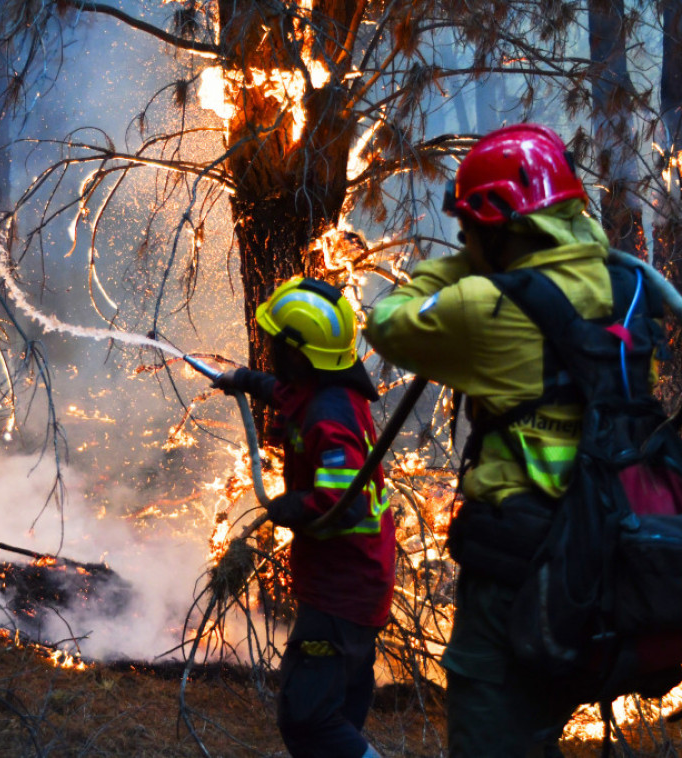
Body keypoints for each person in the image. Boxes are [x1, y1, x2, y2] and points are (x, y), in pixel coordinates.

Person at [364, 123, 649, 757]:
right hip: (611, 562)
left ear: (496, 226)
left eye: (470, 228)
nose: (464, 239)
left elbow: (385, 322)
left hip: (516, 573)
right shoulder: (626, 288)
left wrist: (467, 260)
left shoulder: (487, 303)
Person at [214, 276, 394, 758]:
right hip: (358, 585)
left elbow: (345, 503)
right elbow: (287, 393)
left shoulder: (329, 418)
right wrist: (246, 381)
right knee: (337, 717)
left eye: (276, 342)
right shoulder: (324, 390)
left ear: (296, 351)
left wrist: (298, 507)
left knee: (308, 720)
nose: (270, 349)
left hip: (342, 593)